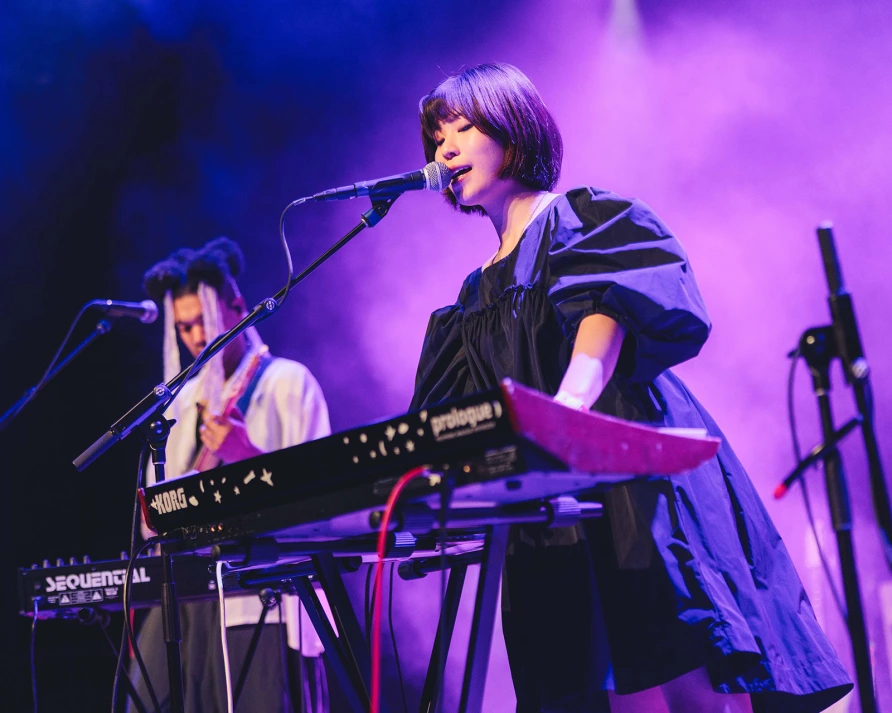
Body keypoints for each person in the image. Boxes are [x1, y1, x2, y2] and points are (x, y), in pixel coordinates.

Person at [410, 63, 853, 713]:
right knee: (577, 671)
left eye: (464, 126)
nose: (445, 149)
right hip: (547, 497)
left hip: (626, 465)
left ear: (514, 128)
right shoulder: (473, 293)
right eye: (437, 137)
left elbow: (605, 310)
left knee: (683, 660)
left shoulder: (576, 222)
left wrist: (569, 410)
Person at [130, 237, 331, 712]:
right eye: (184, 327)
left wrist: (247, 454)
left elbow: (325, 500)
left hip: (260, 593)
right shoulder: (178, 402)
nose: (198, 337)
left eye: (205, 320)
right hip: (182, 594)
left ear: (238, 305)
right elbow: (149, 519)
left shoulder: (288, 382)